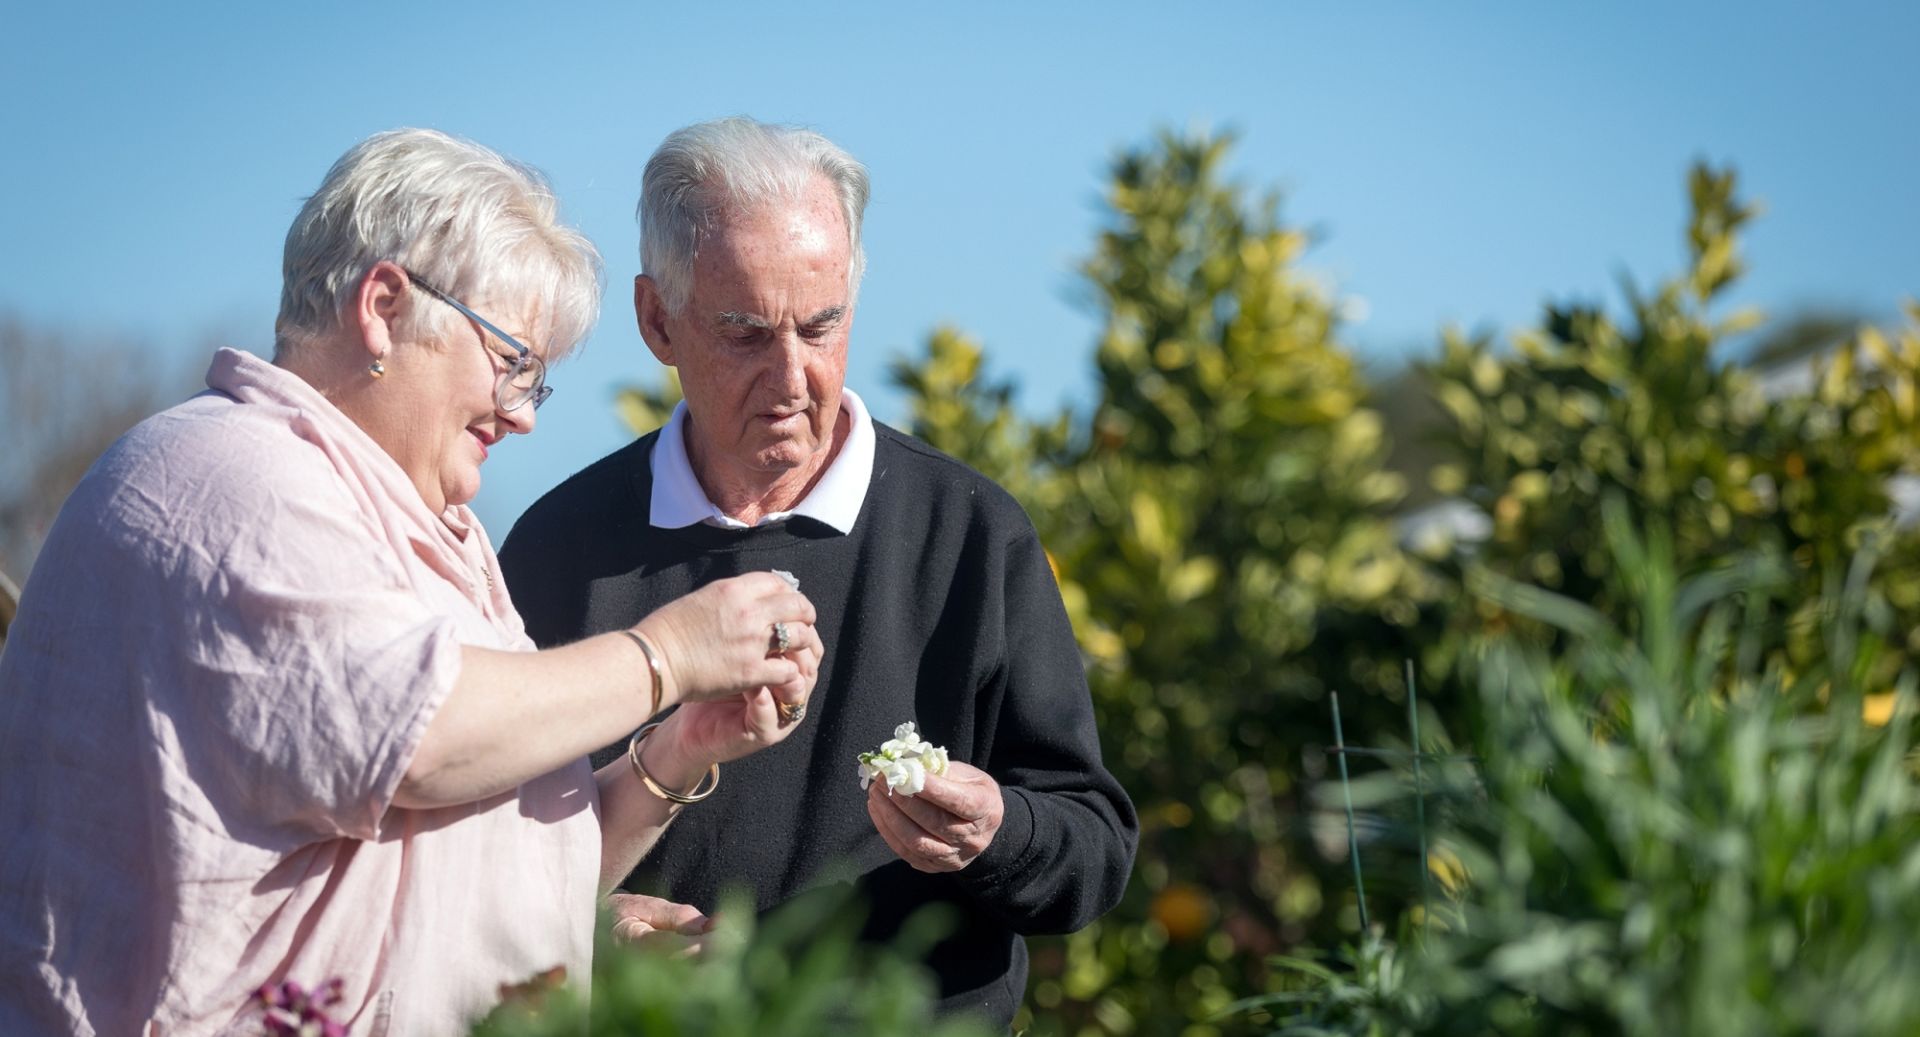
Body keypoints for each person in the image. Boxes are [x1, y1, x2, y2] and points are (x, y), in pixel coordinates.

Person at [0, 128, 823, 1036]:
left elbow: (497, 854)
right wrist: (666, 652)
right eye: (512, 361)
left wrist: (676, 750)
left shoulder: (415, 522)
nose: (520, 416)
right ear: (384, 307)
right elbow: (419, 736)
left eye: (535, 382)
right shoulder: (230, 478)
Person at [499, 117, 1138, 1029]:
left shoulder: (970, 533)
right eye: (746, 332)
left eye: (821, 325)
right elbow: (468, 856)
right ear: (656, 321)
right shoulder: (558, 548)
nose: (793, 375)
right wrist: (580, 925)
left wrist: (998, 832)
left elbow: (1096, 849)